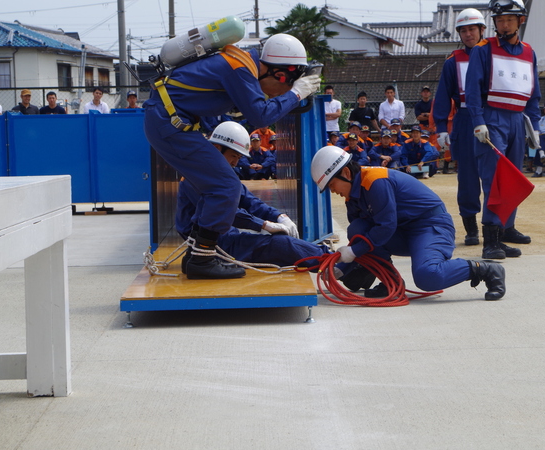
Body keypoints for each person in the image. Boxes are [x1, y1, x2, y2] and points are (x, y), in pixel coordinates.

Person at [143, 33, 320, 279]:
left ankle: (197, 256)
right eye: (284, 87)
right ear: (280, 74)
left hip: (168, 121)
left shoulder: (240, 64)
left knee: (224, 185)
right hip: (169, 123)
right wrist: (296, 94)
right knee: (225, 185)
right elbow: (261, 116)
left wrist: (275, 216)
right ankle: (202, 260)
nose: (278, 93)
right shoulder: (241, 69)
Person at [310, 146, 506, 301]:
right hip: (403, 231)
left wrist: (352, 254)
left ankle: (484, 269)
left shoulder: (376, 181)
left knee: (428, 277)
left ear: (346, 172)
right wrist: (341, 268)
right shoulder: (352, 197)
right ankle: (391, 282)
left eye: (331, 185)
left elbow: (385, 227)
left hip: (430, 226)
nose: (332, 191)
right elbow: (363, 236)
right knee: (357, 229)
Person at [176, 121, 328, 277]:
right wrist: (263, 225)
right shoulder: (197, 177)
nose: (235, 162)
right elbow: (225, 212)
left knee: (281, 241)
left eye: (239, 157)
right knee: (283, 245)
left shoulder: (217, 174)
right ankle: (332, 262)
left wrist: (279, 217)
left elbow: (249, 200)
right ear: (217, 149)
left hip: (225, 239)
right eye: (233, 156)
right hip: (214, 246)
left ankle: (331, 259)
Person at [465, 0, 541, 260]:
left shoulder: (530, 52)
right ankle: (491, 242)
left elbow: (534, 94)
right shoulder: (483, 50)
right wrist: (478, 121)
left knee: (512, 178)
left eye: (509, 19)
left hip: (518, 120)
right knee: (494, 179)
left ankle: (506, 230)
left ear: (520, 20)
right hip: (492, 118)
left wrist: (536, 125)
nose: (504, 24)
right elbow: (472, 90)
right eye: (499, 20)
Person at [434, 7, 488, 246]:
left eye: (472, 29)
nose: (468, 34)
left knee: (496, 176)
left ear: (482, 30)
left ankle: (502, 227)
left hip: (493, 117)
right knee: (467, 176)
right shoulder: (452, 61)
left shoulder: (493, 54)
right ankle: (471, 228)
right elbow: (443, 96)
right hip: (465, 119)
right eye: (463, 30)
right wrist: (441, 128)